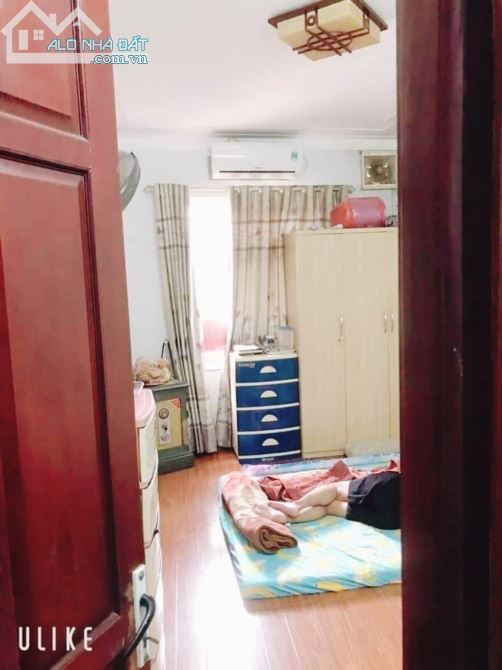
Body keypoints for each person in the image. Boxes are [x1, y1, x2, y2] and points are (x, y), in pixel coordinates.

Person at [255, 471, 400, 530]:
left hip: (390, 488)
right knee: (329, 507)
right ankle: (283, 518)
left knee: (335, 490)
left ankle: (297, 506)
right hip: (393, 520)